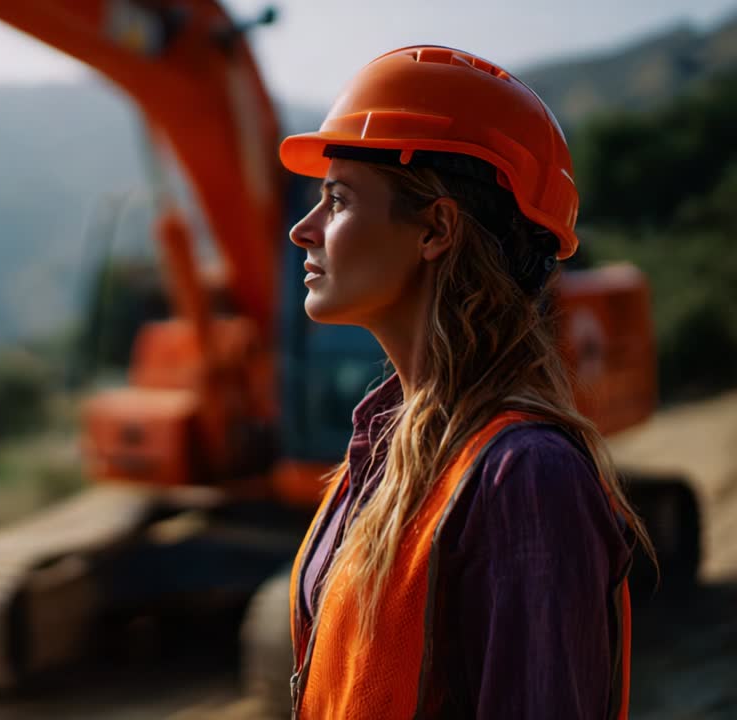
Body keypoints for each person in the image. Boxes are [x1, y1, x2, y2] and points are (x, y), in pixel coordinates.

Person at [280, 46, 653, 719]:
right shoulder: (376, 457)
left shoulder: (528, 481)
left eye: (337, 200)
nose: (303, 229)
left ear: (436, 228)